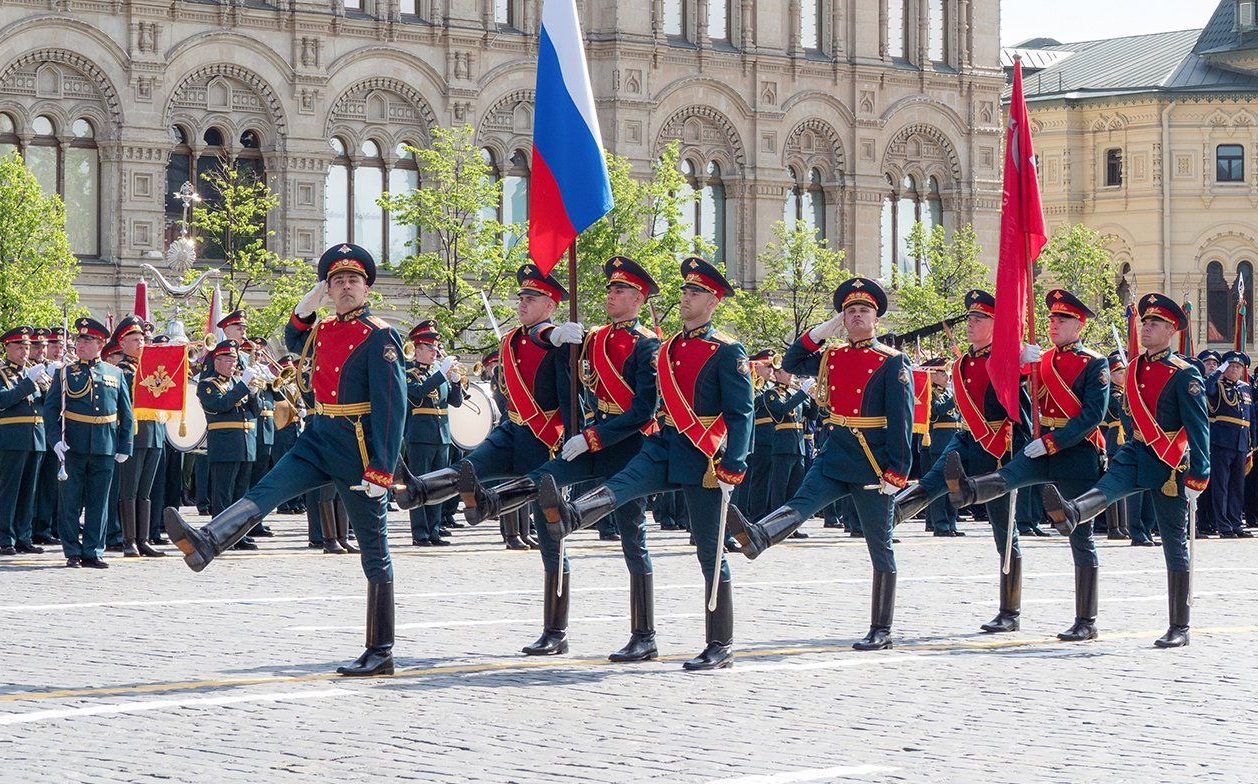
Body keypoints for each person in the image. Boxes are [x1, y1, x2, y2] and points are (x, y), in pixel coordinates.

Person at [163, 243, 406, 676]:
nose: (345, 287)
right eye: (336, 282)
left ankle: (380, 649)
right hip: (319, 435)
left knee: (373, 547)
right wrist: (304, 308)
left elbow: (393, 406)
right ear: (327, 290)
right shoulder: (326, 327)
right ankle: (208, 542)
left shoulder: (381, 335)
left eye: (353, 280)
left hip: (358, 445)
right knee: (268, 489)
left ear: (367, 287)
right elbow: (295, 340)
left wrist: (383, 469)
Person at [536, 257, 752, 670]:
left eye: (695, 293)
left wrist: (734, 465)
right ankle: (569, 515)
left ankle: (719, 642)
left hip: (704, 452)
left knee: (708, 548)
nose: (686, 298)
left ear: (713, 301)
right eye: (685, 291)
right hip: (665, 441)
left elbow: (741, 413)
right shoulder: (669, 346)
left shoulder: (727, 350)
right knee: (621, 486)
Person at [458, 256, 662, 661]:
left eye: (619, 290)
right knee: (545, 478)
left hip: (629, 448)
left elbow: (644, 411)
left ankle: (645, 635)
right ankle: (554, 628)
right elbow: (545, 339)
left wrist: (591, 435)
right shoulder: (597, 337)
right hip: (593, 443)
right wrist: (553, 333)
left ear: (638, 298)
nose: (610, 294)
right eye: (608, 289)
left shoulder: (648, 344)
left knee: (632, 539)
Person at [727, 276, 913, 651]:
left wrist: (898, 471)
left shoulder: (892, 362)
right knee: (800, 503)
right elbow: (793, 362)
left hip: (873, 461)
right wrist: (821, 331)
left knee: (880, 545)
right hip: (835, 452)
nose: (856, 316)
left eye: (863, 310)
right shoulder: (835, 355)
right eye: (849, 311)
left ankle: (882, 628)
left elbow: (903, 420)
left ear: (876, 318)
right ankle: (759, 536)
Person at [398, 264, 575, 649]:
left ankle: (555, 631)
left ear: (549, 304)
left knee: (551, 536)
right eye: (521, 297)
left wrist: (571, 440)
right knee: (467, 468)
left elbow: (569, 396)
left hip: (544, 440)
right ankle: (419, 490)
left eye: (530, 298)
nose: (521, 303)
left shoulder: (558, 343)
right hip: (511, 429)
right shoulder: (512, 340)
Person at [1040, 293, 1208, 649]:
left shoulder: (1185, 373)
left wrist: (1200, 473)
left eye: (1155, 324)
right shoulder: (1132, 368)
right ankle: (1071, 511)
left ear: (1171, 330)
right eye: (1145, 322)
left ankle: (1180, 626)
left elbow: (1198, 426)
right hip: (1136, 452)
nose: (1146, 328)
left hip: (1170, 464)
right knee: (1105, 490)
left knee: (1175, 546)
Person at [942, 290, 1110, 641]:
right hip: (1039, 448)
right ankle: (969, 491)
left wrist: (1051, 442)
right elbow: (1011, 395)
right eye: (1050, 319)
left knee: (1080, 538)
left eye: (1062, 319)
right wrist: (1018, 366)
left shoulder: (1095, 363)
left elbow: (1093, 416)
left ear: (1079, 324)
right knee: (1006, 477)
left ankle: (1086, 620)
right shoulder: (1040, 358)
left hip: (1074, 452)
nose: (1053, 324)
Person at [892, 290, 1032, 634]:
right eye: (969, 318)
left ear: (997, 325)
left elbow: (1026, 408)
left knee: (1004, 529)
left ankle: (1009, 611)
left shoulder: (1009, 361)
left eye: (979, 319)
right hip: (967, 439)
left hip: (998, 448)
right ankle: (885, 518)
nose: (970, 324)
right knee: (928, 485)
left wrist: (1029, 369)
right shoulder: (963, 362)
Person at [45, 317, 134, 569]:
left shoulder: (114, 373)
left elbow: (125, 413)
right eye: (79, 339)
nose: (80, 344)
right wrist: (55, 441)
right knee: (70, 501)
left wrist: (124, 446)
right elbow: (51, 411)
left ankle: (93, 551)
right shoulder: (65, 373)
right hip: (73, 445)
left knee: (99, 502)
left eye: (87, 340)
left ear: (100, 343)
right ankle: (72, 550)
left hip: (105, 446)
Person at [403, 319, 464, 547]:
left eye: (436, 348)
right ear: (417, 349)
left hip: (443, 436)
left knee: (439, 486)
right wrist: (442, 374)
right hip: (421, 436)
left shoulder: (439, 374)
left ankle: (434, 529)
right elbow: (416, 395)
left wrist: (456, 383)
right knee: (419, 484)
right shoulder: (409, 372)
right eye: (431, 348)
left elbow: (455, 403)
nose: (435, 352)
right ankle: (420, 532)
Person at [198, 339, 261, 551]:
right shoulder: (207, 384)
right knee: (223, 494)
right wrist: (244, 386)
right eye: (228, 359)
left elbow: (255, 412)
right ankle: (219, 536)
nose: (233, 364)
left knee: (241, 496)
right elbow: (221, 405)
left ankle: (238, 536)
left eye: (234, 360)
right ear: (217, 360)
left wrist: (253, 393)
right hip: (225, 444)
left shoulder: (236, 383)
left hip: (244, 444)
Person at [113, 315, 166, 557]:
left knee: (146, 491)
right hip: (134, 434)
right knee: (129, 490)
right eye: (134, 340)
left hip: (154, 432)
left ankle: (143, 539)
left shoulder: (151, 366)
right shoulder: (121, 371)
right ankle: (129, 540)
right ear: (122, 344)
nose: (140, 343)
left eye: (142, 339)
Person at [0, 326, 49, 556]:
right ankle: (5, 537)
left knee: (29, 492)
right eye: (19, 346)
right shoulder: (3, 373)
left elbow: (47, 404)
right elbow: (4, 399)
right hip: (11, 438)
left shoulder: (34, 372)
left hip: (35, 438)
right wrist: (28, 383)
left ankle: (23, 536)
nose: (25, 351)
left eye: (27, 346)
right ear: (6, 348)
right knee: (9, 491)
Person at [1205, 350, 1255, 539]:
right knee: (1221, 485)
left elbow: (1251, 418)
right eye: (1231, 366)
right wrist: (1219, 371)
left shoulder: (1244, 388)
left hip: (1241, 443)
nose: (1235, 369)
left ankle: (1235, 523)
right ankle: (1223, 525)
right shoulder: (1217, 385)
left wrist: (1253, 442)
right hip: (1222, 442)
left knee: (1237, 486)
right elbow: (1206, 388)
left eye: (1238, 367)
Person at [922, 357, 963, 536]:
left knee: (955, 485)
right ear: (932, 375)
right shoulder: (928, 393)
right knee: (940, 485)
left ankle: (952, 522)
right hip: (939, 441)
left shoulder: (947, 393)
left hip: (954, 440)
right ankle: (940, 524)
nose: (947, 376)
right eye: (942, 372)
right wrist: (954, 397)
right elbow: (935, 413)